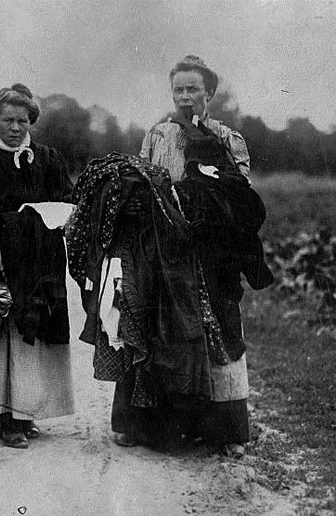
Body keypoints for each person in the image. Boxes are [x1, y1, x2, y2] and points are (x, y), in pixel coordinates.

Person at [106, 55, 264, 458]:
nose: (185, 97)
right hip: (164, 250)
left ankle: (223, 430)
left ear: (209, 93)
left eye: (194, 89)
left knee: (218, 330)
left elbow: (242, 200)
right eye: (179, 89)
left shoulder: (228, 139)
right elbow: (142, 185)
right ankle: (150, 427)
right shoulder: (157, 136)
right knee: (157, 327)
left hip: (211, 254)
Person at [0, 84, 75, 449]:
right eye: (7, 120)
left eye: (22, 121)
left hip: (40, 259)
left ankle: (27, 413)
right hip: (0, 259)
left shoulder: (49, 159)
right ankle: (8, 417)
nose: (15, 127)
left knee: (36, 333)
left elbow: (67, 201)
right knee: (8, 338)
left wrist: (63, 216)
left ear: (31, 122)